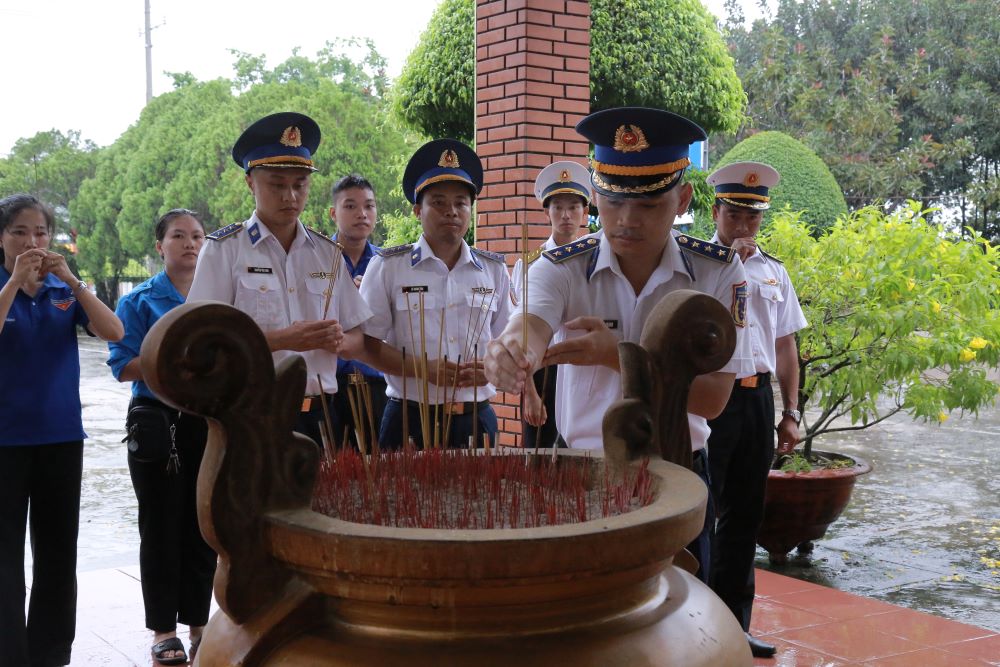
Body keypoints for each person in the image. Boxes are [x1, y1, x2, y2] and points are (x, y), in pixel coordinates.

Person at [484, 107, 754, 582]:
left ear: (683, 197)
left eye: (649, 205)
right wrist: (511, 349)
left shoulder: (718, 271)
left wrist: (618, 357)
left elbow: (713, 398)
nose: (626, 220)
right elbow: (530, 322)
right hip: (582, 472)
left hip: (677, 470)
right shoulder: (562, 266)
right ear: (595, 197)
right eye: (611, 203)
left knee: (681, 620)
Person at [188, 112, 372, 450]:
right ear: (250, 183)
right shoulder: (224, 251)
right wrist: (281, 339)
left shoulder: (328, 254)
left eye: (299, 185)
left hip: (320, 418)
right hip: (250, 418)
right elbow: (202, 346)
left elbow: (357, 336)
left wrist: (338, 340)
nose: (290, 196)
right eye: (277, 185)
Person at [0, 194, 124, 667]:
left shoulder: (63, 290)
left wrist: (72, 281)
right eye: (19, 232)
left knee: (56, 552)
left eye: (41, 233)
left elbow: (114, 332)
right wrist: (14, 282)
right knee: (5, 558)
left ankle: (50, 653)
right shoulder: (4, 283)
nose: (33, 242)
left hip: (60, 437)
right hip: (4, 440)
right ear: (2, 238)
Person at [704, 162, 808, 659]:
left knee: (746, 515)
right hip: (707, 401)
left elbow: (785, 345)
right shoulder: (696, 264)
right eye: (735, 215)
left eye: (753, 218)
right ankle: (693, 625)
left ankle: (735, 624)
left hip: (755, 398)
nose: (744, 227)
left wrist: (790, 411)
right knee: (701, 513)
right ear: (715, 211)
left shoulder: (774, 271)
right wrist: (726, 262)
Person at [107, 209, 218, 665]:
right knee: (159, 526)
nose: (190, 244)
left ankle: (199, 625)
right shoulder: (139, 301)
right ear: (160, 245)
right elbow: (121, 365)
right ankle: (163, 630)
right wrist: (172, 364)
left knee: (203, 524)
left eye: (197, 236)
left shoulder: (217, 297)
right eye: (178, 236)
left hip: (207, 418)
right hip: (155, 419)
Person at [358, 139, 513, 449]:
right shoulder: (388, 268)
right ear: (418, 210)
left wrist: (493, 370)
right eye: (438, 202)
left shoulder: (493, 270)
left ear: (471, 209)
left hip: (475, 418)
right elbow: (365, 345)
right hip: (409, 419)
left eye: (460, 203)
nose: (451, 212)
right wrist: (421, 369)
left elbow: (507, 339)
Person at [511, 161, 591, 449]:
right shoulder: (529, 265)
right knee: (540, 463)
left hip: (582, 372)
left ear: (586, 212)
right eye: (558, 207)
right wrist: (530, 393)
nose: (566, 215)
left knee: (580, 458)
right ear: (546, 212)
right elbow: (521, 339)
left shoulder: (594, 264)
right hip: (542, 373)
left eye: (573, 206)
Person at [329, 175, 389, 447]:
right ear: (333, 213)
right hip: (330, 386)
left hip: (375, 385)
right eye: (350, 206)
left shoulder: (387, 264)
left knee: (377, 471)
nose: (362, 214)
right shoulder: (316, 259)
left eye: (369, 206)